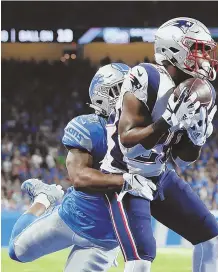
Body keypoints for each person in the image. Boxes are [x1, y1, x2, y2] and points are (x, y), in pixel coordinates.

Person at [100, 18, 218, 272]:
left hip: (159, 174)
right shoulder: (148, 77)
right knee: (141, 260)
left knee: (210, 238)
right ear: (173, 50)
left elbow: (185, 157)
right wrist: (168, 120)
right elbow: (128, 142)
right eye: (197, 50)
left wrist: (196, 137)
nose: (204, 58)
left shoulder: (197, 91)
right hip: (126, 176)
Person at [8, 63, 156, 272]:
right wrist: (125, 181)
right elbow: (79, 177)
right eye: (121, 90)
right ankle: (44, 197)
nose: (130, 97)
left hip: (103, 240)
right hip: (70, 217)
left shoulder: (147, 130)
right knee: (17, 251)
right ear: (101, 96)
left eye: (133, 90)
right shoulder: (90, 127)